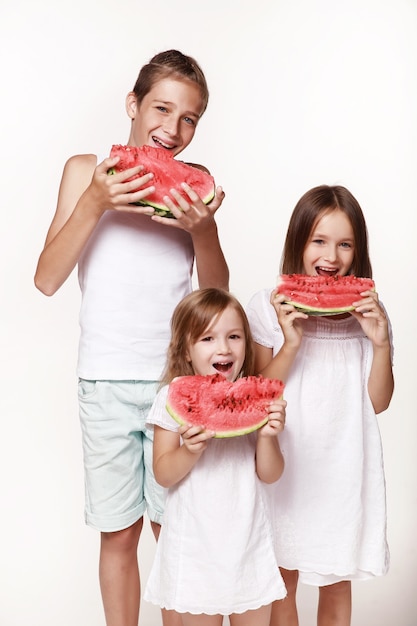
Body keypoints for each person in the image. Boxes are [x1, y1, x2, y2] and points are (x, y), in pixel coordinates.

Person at [34, 50, 229, 626]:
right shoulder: (83, 170)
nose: (172, 128)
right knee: (119, 536)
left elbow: (216, 296)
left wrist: (205, 230)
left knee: (177, 532)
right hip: (104, 380)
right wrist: (96, 200)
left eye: (189, 118)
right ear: (133, 104)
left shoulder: (194, 194)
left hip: (175, 386)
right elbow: (46, 279)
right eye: (161, 108)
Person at [246, 185, 394, 626]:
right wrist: (290, 342)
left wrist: (381, 343)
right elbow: (256, 395)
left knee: (335, 582)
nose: (331, 256)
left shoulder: (371, 313)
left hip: (345, 467)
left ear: (358, 250)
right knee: (282, 579)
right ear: (298, 242)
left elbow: (379, 402)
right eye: (319, 241)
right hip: (285, 464)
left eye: (345, 243)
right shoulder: (265, 306)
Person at [143, 288, 288, 625]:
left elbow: (271, 473)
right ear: (186, 350)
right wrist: (189, 451)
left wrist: (267, 436)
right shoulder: (171, 395)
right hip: (194, 549)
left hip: (248, 545)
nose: (224, 348)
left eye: (234, 336)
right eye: (208, 338)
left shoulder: (256, 399)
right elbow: (163, 473)